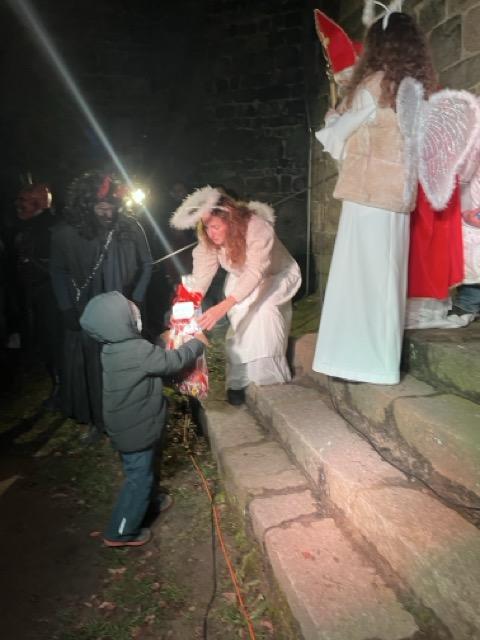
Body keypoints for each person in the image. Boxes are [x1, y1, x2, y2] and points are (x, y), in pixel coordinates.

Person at [312, 9, 436, 384]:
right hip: (396, 197)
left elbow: (338, 138)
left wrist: (332, 119)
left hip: (367, 194)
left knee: (357, 281)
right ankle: (380, 362)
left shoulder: (372, 85)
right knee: (386, 282)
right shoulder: (414, 89)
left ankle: (356, 363)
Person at [80, 291, 207, 547]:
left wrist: (164, 339)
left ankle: (148, 500)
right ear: (120, 322)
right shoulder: (135, 350)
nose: (136, 314)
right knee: (139, 479)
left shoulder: (113, 347)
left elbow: (150, 359)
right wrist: (195, 344)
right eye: (130, 312)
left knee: (144, 470)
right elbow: (172, 362)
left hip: (129, 426)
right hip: (136, 430)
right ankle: (120, 532)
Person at [170, 186, 301, 405]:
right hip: (241, 278)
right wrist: (188, 303)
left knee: (264, 313)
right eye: (206, 227)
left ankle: (267, 379)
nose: (210, 233)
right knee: (242, 320)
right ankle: (239, 381)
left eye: (215, 227)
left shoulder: (257, 228)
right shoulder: (208, 237)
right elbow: (202, 273)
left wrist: (224, 305)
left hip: (275, 274)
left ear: (230, 220)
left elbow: (256, 271)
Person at [50, 171, 152, 442]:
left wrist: (137, 298)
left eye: (111, 207)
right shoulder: (68, 233)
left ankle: (130, 417)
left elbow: (147, 264)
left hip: (123, 309)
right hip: (88, 310)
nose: (108, 214)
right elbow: (58, 270)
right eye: (101, 208)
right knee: (93, 367)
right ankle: (99, 420)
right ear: (87, 205)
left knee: (125, 365)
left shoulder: (130, 228)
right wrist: (66, 308)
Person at [14, 183, 63, 407]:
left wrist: (33, 262)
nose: (19, 205)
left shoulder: (52, 227)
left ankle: (62, 387)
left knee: (54, 341)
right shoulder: (28, 226)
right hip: (35, 294)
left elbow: (58, 266)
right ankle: (58, 385)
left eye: (24, 200)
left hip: (51, 295)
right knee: (44, 342)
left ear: (38, 202)